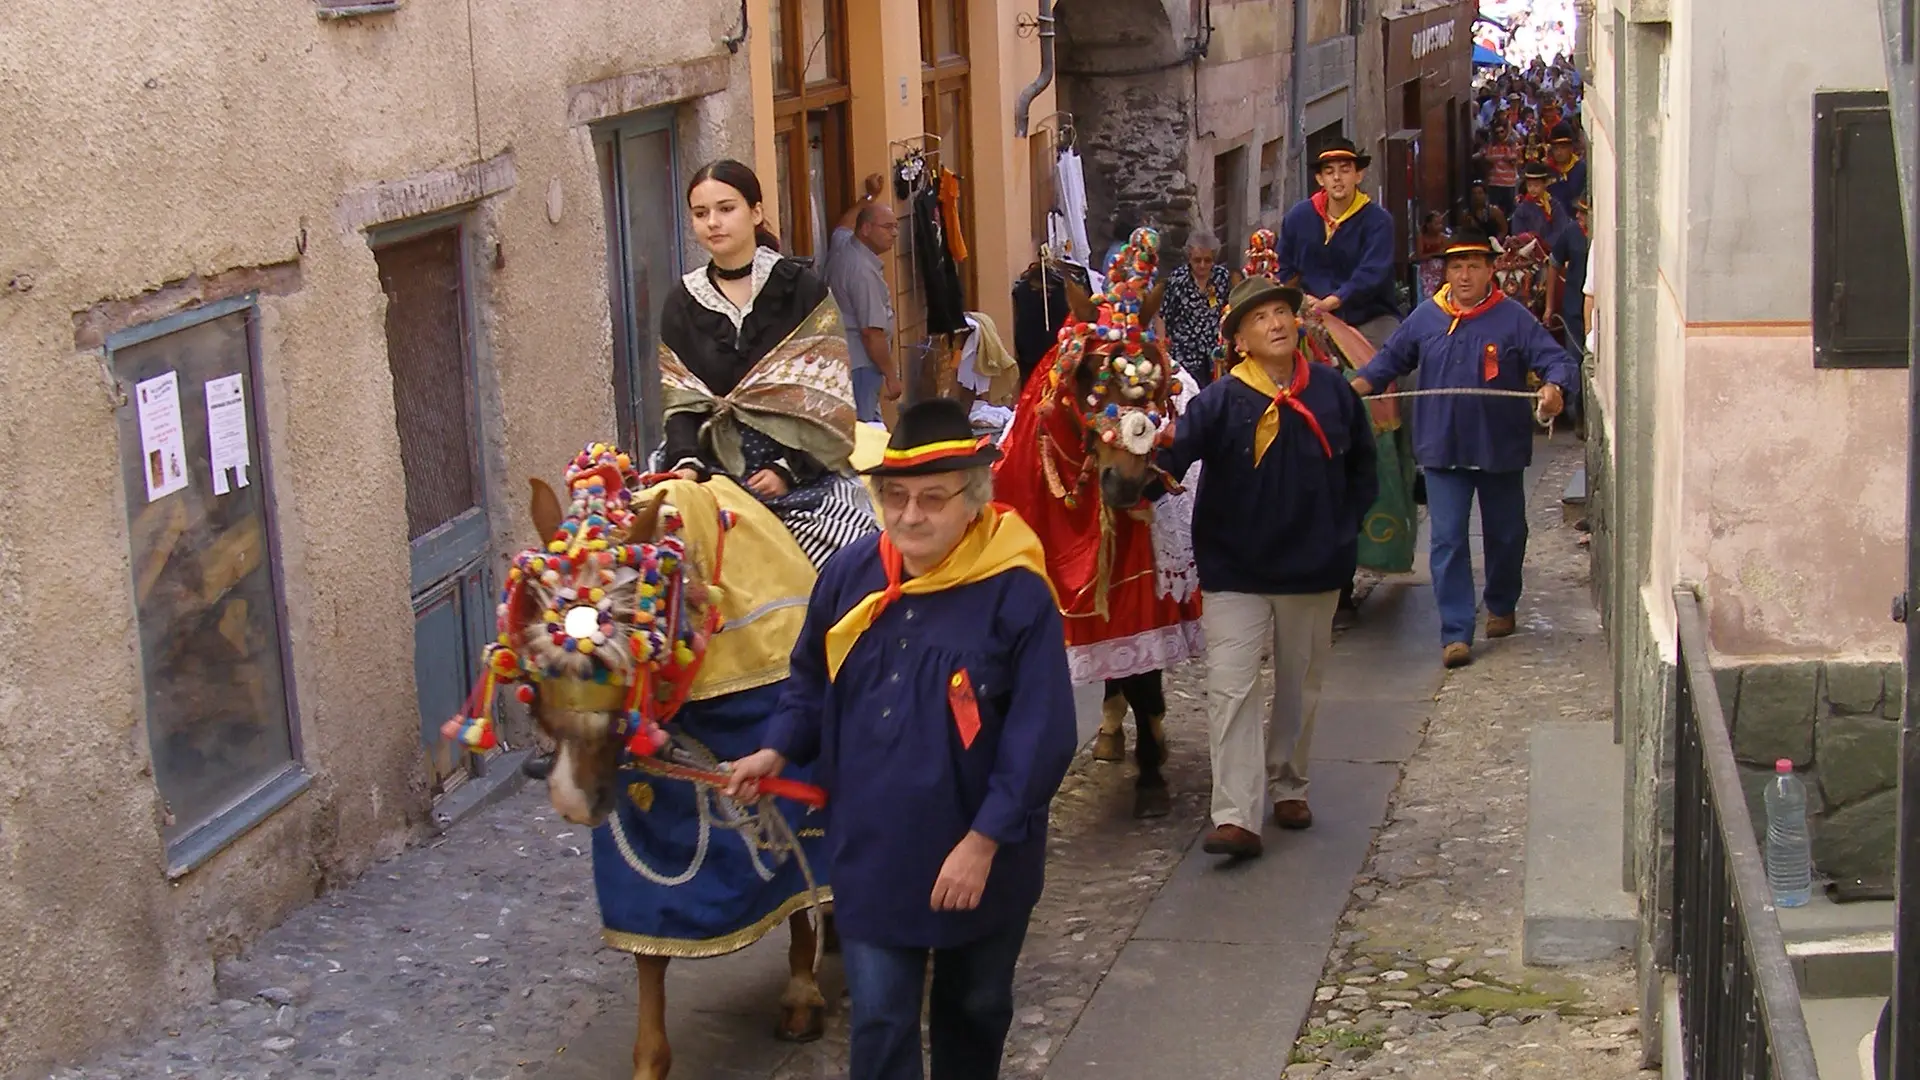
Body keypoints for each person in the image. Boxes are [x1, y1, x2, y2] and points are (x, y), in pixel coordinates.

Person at [725, 398, 1077, 1080]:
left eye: (932, 499)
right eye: (895, 497)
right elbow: (808, 680)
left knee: (973, 1009)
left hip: (981, 852)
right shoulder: (851, 575)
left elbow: (1042, 735)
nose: (910, 515)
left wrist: (981, 844)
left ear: (972, 501)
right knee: (881, 1018)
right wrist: (776, 747)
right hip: (875, 844)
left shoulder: (1016, 592)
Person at [1156, 275, 1379, 858]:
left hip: (1312, 568)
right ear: (1240, 341)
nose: (1276, 323)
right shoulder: (1220, 401)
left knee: (1299, 685)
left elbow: (1363, 471)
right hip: (1235, 568)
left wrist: (1341, 532)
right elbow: (1170, 458)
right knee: (1231, 687)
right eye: (1260, 319)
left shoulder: (1332, 393)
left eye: (1282, 312)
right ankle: (1235, 815)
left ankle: (1289, 784)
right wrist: (1137, 457)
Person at [1349, 230, 1578, 668]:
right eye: (1456, 267)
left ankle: (1501, 601)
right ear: (1446, 272)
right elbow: (1388, 363)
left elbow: (1556, 361)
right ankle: (1455, 632)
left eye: (1474, 265)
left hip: (1500, 448)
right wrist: (1351, 389)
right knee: (1448, 540)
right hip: (1442, 447)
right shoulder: (1426, 318)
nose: (1465, 275)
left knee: (1507, 534)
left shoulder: (1512, 318)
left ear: (1490, 269)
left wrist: (1553, 387)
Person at [658, 159, 879, 568]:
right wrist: (686, 465)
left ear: (755, 212)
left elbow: (828, 397)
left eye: (727, 209)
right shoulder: (682, 301)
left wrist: (787, 471)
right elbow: (682, 401)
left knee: (855, 558)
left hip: (801, 468)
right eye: (701, 213)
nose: (713, 223)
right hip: (710, 466)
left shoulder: (800, 290)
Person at [1279, 139, 1401, 348]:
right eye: (1329, 172)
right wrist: (1300, 299)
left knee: (1397, 360)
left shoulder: (1378, 221)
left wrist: (1332, 301)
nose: (1337, 178)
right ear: (1320, 179)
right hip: (1310, 314)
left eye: (1345, 170)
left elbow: (1371, 273)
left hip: (1369, 317)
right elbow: (1284, 267)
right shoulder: (1298, 217)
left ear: (1358, 175)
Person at [823, 200, 904, 422]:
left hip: (843, 359)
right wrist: (891, 376)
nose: (894, 233)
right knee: (866, 433)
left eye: (895, 226)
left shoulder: (844, 245)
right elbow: (871, 332)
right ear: (866, 229)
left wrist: (868, 197)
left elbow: (843, 225)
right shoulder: (862, 272)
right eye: (887, 227)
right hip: (861, 364)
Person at [1160, 231, 1235, 386]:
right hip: (1185, 354)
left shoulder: (1222, 277)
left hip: (1215, 355)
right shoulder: (1177, 281)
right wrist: (1163, 348)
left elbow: (1228, 308)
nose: (1202, 265)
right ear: (1189, 258)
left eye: (1207, 260)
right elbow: (1162, 315)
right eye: (1197, 260)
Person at [1510, 161, 1564, 244]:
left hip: (1551, 249)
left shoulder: (1554, 205)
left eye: (1536, 185)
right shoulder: (1522, 208)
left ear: (1545, 184)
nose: (1532, 189)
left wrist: (1546, 244)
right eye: (1529, 185)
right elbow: (1518, 232)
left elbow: (1560, 229)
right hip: (1528, 248)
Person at [1478, 120, 1522, 214]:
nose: (1499, 135)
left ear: (1505, 132)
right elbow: (1487, 158)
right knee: (1494, 210)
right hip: (1495, 182)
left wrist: (1503, 158)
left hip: (1509, 183)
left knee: (1510, 210)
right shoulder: (1491, 146)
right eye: (1497, 132)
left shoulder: (1512, 145)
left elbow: (1515, 160)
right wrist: (1502, 157)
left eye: (1501, 132)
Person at [1546, 123, 1587, 211]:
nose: (1559, 153)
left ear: (1571, 148)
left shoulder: (1581, 168)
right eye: (1556, 148)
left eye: (1563, 148)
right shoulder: (1547, 171)